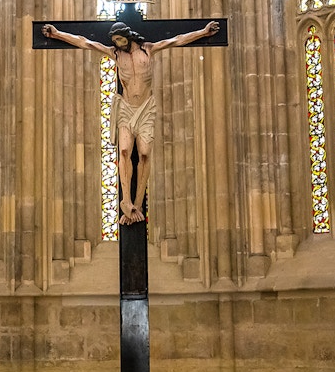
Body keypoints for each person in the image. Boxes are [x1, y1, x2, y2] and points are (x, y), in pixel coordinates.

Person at [42, 19, 220, 225]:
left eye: (120, 39)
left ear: (128, 36)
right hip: (126, 108)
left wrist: (204, 33)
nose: (118, 43)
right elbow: (85, 43)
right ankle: (126, 200)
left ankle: (137, 201)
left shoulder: (148, 49)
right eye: (115, 41)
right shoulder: (115, 54)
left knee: (144, 153)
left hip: (146, 108)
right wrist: (57, 34)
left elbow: (177, 40)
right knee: (124, 151)